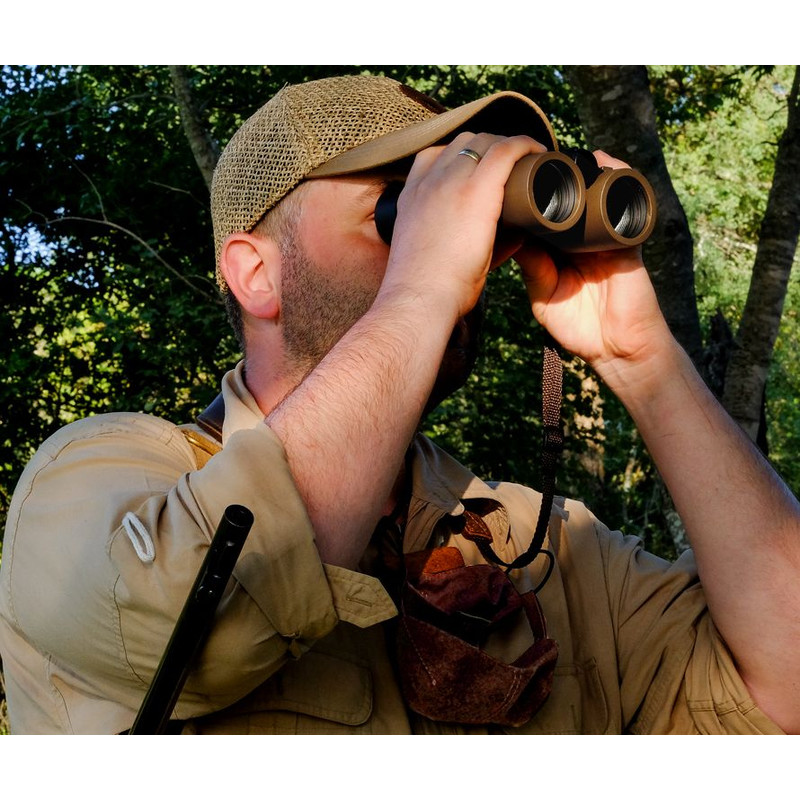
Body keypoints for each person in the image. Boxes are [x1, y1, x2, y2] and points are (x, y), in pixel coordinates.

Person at [2, 74, 799, 735]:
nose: (460, 246)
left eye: (460, 211)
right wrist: (421, 287)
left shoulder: (545, 547)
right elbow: (185, 626)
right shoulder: (104, 484)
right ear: (256, 275)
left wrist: (642, 357)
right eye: (398, 210)